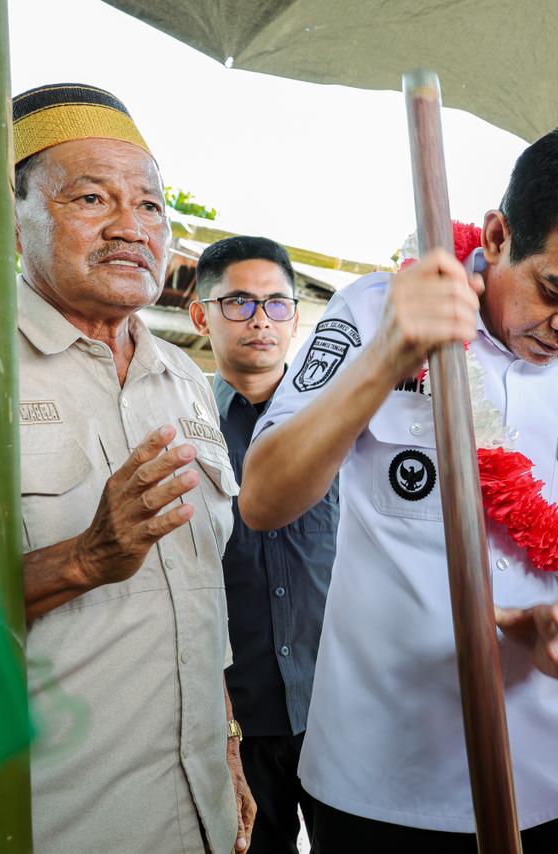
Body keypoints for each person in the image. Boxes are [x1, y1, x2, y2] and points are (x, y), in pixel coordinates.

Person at [238, 126, 558, 851]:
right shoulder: (378, 309)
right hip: (377, 778)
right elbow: (263, 499)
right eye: (557, 289)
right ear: (498, 236)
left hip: (552, 778)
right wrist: (388, 357)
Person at [13, 84, 253, 852]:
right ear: (12, 219)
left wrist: (227, 739)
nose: (131, 227)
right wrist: (83, 560)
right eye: (91, 198)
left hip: (199, 809)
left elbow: (199, 591)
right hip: (56, 821)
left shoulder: (184, 380)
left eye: (150, 204)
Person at [189, 235, 337, 852]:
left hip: (340, 709)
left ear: (295, 318)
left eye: (277, 304)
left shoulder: (336, 423)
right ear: (201, 315)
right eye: (239, 302)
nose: (260, 320)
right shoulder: (179, 426)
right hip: (234, 719)